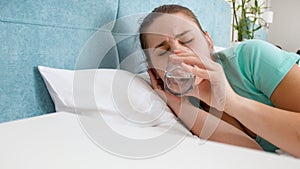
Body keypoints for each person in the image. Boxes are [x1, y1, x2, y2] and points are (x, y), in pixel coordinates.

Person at [138, 4, 300, 157]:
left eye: (187, 40)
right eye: (163, 51)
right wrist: (181, 106)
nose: (177, 53)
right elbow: (253, 156)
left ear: (208, 41)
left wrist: (232, 102)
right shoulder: (180, 105)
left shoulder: (252, 57)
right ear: (152, 69)